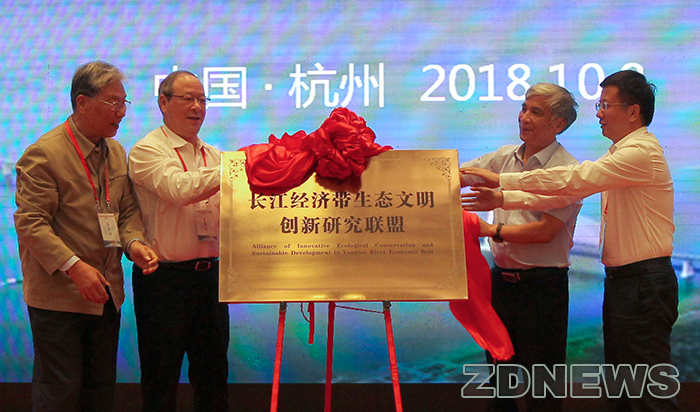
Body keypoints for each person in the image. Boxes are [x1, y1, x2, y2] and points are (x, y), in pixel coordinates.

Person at [463, 70, 679, 412]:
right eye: (599, 105)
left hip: (642, 283)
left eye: (605, 105)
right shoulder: (620, 153)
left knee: (645, 393)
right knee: (625, 391)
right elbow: (557, 193)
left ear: (633, 111)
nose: (599, 113)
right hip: (626, 282)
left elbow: (573, 181)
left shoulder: (639, 153)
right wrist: (503, 197)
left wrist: (502, 185)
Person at [14, 61, 159, 412]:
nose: (121, 112)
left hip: (106, 294)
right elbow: (30, 222)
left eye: (124, 103)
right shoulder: (44, 153)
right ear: (82, 102)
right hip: (60, 297)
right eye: (113, 102)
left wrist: (134, 243)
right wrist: (74, 267)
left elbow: (126, 211)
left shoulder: (116, 151)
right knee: (59, 395)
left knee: (99, 393)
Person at [460, 83, 582, 412]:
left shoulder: (568, 171)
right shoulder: (504, 157)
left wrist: (491, 230)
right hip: (500, 284)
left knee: (542, 392)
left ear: (558, 124)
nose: (524, 117)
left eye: (535, 112)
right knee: (500, 388)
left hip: (542, 288)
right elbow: (457, 176)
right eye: (524, 108)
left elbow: (546, 232)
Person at [128, 70, 229, 412]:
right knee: (161, 377)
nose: (197, 107)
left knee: (214, 376)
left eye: (202, 100)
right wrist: (236, 168)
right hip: (164, 281)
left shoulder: (214, 155)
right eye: (188, 99)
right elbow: (179, 189)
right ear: (163, 102)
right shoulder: (147, 150)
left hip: (211, 279)